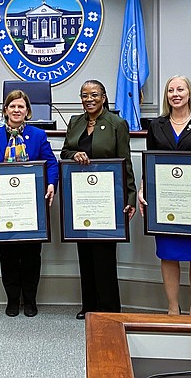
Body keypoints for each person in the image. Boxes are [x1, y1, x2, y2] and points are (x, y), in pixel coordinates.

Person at [137, 75, 191, 316]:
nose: (175, 94)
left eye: (180, 89)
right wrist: (144, 189)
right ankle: (173, 308)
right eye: (170, 90)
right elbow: (149, 162)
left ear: (189, 93)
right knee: (168, 253)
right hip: (165, 201)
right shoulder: (156, 125)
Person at [0, 90, 58, 317]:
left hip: (32, 207)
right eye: (12, 106)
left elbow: (51, 164)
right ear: (5, 110)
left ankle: (30, 300)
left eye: (21, 107)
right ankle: (12, 299)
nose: (16, 110)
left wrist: (51, 184)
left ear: (28, 111)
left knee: (32, 255)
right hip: (4, 208)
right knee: (8, 255)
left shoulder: (38, 136)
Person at [60, 80, 136, 319]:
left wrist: (130, 196)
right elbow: (64, 153)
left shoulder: (117, 123)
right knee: (84, 252)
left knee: (104, 253)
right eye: (84, 95)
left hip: (107, 198)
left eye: (94, 94)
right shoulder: (75, 122)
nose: (89, 99)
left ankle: (110, 309)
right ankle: (89, 306)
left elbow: (125, 161)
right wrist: (75, 154)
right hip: (81, 198)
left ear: (104, 97)